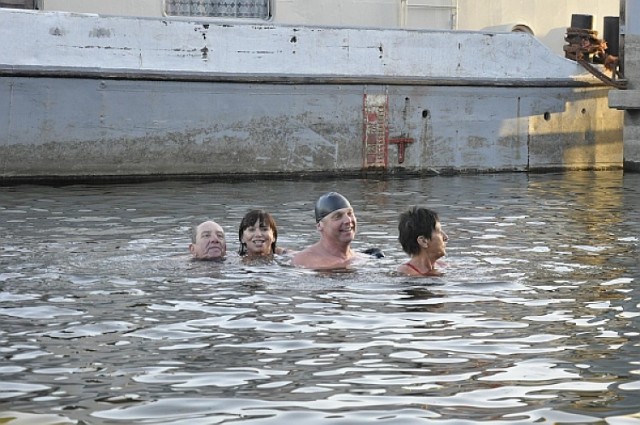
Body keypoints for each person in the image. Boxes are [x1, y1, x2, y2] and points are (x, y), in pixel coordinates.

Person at [292, 191, 360, 269]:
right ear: (320, 226)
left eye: (350, 213)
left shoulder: (362, 258)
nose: (348, 220)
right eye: (338, 216)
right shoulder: (305, 261)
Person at [397, 206, 448, 276]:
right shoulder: (406, 274)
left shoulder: (442, 266)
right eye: (439, 231)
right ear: (423, 241)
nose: (445, 237)